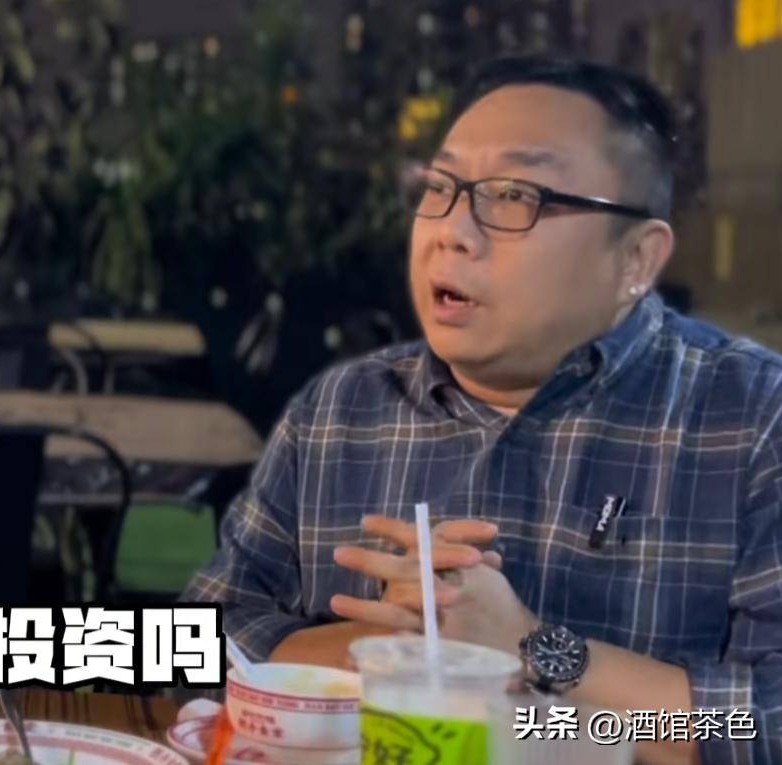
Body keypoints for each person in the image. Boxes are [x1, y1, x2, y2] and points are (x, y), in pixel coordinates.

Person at [187, 56, 781, 764]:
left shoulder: (752, 418)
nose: (451, 231)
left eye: (512, 195)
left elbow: (768, 725)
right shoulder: (341, 411)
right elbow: (202, 641)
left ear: (635, 259)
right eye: (439, 188)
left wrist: (533, 649)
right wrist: (389, 653)